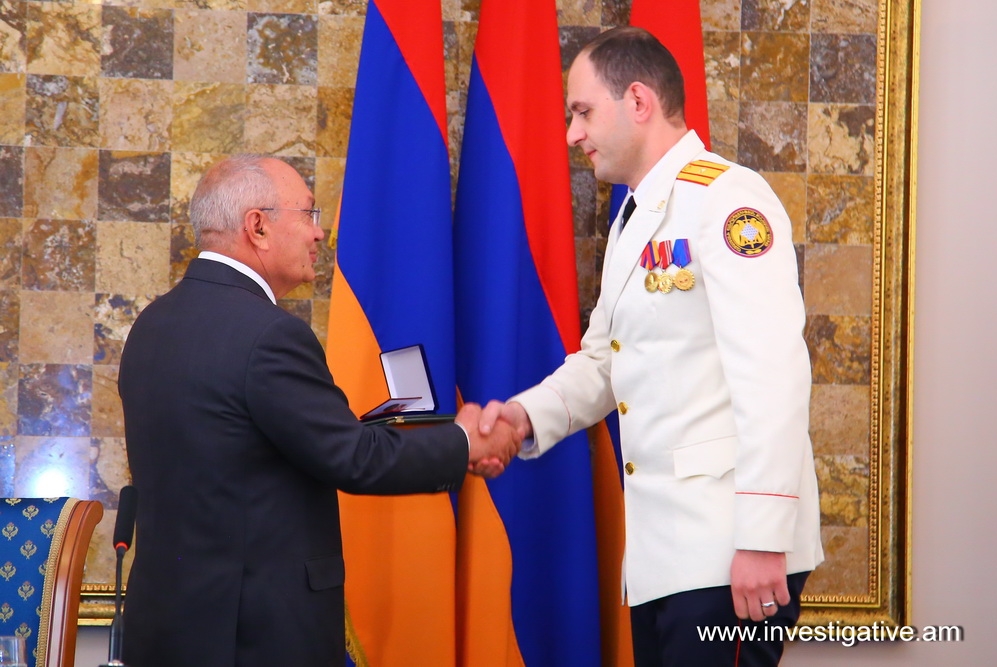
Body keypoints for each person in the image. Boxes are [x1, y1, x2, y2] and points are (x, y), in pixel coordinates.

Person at [479, 27, 823, 666]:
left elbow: (773, 374)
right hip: (666, 557)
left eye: (583, 112)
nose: (572, 134)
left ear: (638, 101)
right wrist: (523, 417)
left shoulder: (727, 200)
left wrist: (762, 539)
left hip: (728, 553)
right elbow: (604, 361)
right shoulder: (636, 217)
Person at [117, 154, 521, 667]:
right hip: (255, 637)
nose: (319, 232)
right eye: (308, 213)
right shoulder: (269, 334)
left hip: (166, 630)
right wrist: (464, 442)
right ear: (258, 227)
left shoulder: (150, 325)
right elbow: (355, 458)